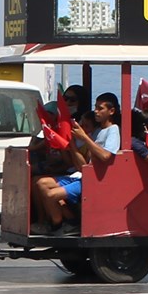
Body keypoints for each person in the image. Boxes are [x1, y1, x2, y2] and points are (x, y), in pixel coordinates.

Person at [35, 92, 123, 228]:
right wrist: (72, 145)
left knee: (51, 195)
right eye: (96, 107)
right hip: (85, 176)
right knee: (42, 183)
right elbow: (83, 164)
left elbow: (106, 156)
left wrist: (84, 138)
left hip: (96, 180)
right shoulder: (98, 131)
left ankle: (58, 225)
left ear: (111, 111)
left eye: (100, 108)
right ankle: (67, 220)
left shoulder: (113, 130)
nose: (96, 111)